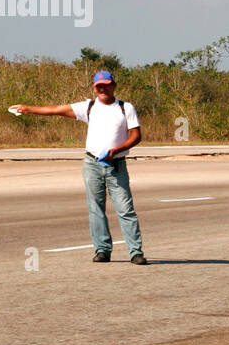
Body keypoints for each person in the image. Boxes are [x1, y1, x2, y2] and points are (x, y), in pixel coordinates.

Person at [11, 70, 147, 264]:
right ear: (94, 88)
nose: (103, 89)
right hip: (92, 163)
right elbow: (55, 110)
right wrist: (29, 109)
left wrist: (117, 150)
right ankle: (102, 250)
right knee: (95, 208)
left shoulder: (126, 108)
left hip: (116, 164)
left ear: (113, 86)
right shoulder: (89, 107)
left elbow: (136, 136)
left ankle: (136, 252)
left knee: (125, 209)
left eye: (106, 85)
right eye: (99, 86)